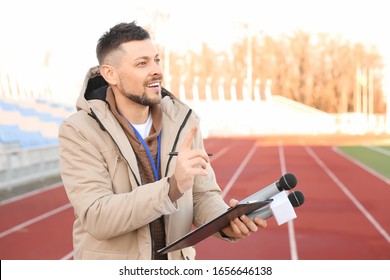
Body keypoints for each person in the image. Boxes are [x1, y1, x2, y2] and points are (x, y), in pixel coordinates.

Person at [58, 21, 267, 260]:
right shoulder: (79, 130)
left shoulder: (185, 121)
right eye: (142, 63)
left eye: (156, 60)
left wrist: (224, 220)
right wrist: (172, 187)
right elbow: (98, 216)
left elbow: (202, 194)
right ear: (110, 74)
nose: (156, 70)